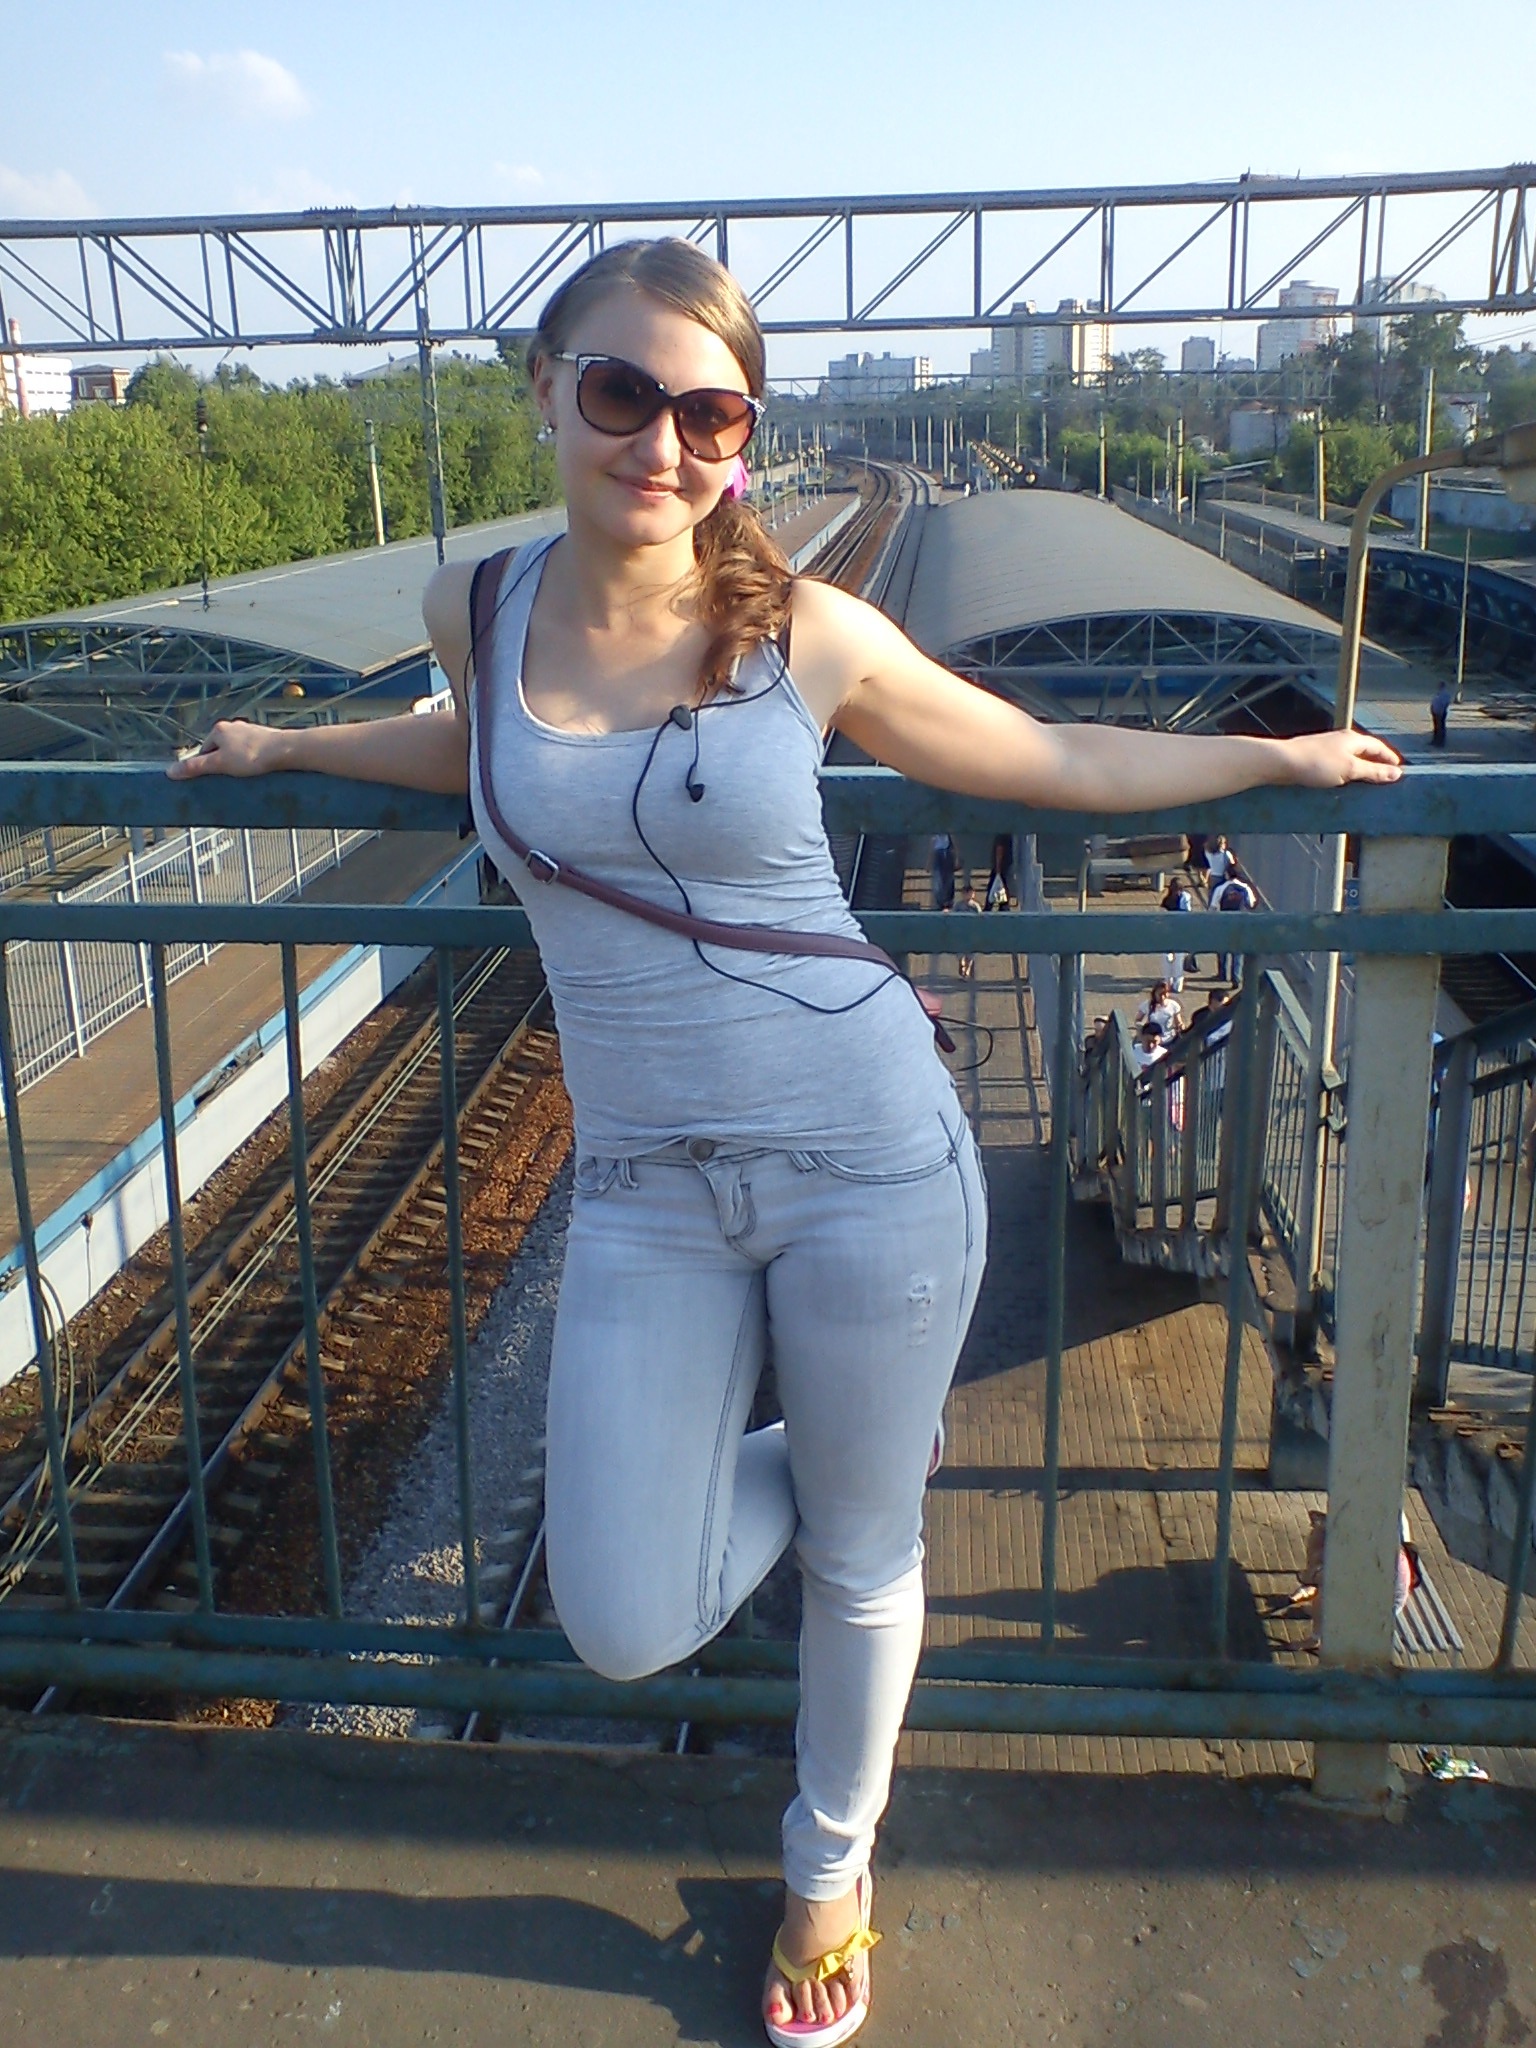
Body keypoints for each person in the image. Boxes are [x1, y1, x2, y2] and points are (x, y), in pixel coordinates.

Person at [166, 237, 1401, 2048]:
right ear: (547, 390)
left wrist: (1273, 763)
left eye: (710, 413)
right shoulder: (473, 605)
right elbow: (482, 752)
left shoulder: (802, 631)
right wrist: (291, 751)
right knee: (619, 1614)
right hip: (645, 1191)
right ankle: (835, 1454)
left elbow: (1046, 760)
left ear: (743, 438)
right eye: (621, 393)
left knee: (861, 1558)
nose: (660, 442)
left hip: (869, 1159)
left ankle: (831, 1863)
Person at [1213, 866, 1258, 984]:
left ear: (1227, 875)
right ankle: (1236, 977)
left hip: (1224, 922)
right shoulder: (1245, 888)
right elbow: (1251, 904)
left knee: (1222, 948)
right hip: (1241, 923)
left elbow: (1213, 906)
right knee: (1238, 951)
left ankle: (1223, 974)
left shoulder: (1221, 888)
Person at [1159, 875, 1195, 990]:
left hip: (1169, 932)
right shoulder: (1185, 897)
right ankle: (1175, 982)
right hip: (1180, 932)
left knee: (1169, 957)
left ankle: (1168, 981)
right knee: (1176, 958)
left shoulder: (1167, 899)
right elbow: (1188, 914)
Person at [953, 880, 981, 978]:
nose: (968, 895)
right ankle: (962, 963)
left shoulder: (975, 906)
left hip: (972, 932)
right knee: (960, 950)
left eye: (970, 893)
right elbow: (953, 916)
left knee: (971, 952)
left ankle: (967, 969)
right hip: (961, 932)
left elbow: (980, 918)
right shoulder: (958, 905)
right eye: (966, 893)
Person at [929, 832, 957, 910]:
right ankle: (940, 903)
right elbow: (931, 849)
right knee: (938, 881)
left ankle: (948, 902)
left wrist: (956, 858)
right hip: (938, 855)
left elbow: (955, 846)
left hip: (946, 854)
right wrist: (929, 863)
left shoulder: (948, 833)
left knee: (948, 880)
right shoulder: (935, 835)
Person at [1430, 682, 1453, 749]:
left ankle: (1440, 742)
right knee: (1436, 727)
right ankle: (1435, 740)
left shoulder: (1445, 694)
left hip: (1440, 712)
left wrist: (1441, 711)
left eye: (1439, 685)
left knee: (1440, 727)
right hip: (1436, 712)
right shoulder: (1438, 693)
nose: (1438, 686)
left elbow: (1445, 704)